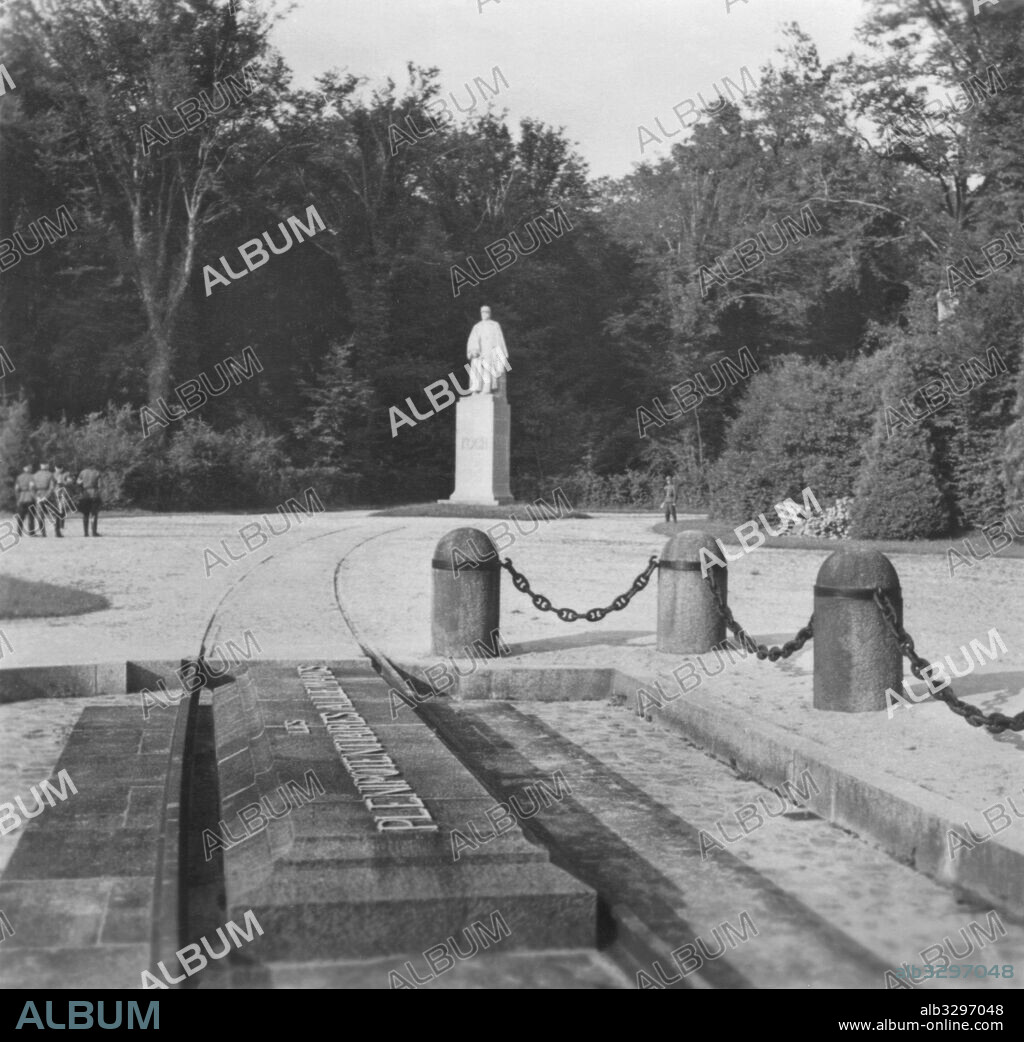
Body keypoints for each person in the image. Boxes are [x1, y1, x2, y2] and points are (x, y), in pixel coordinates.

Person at [32, 462, 58, 537]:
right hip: (48, 496)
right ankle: (56, 532)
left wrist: (36, 497)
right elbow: (52, 487)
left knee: (40, 515)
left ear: (40, 466)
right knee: (53, 514)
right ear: (47, 466)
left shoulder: (35, 475)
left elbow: (31, 488)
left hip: (38, 495)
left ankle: (43, 533)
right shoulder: (50, 475)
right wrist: (46, 496)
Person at [77, 464, 102, 537]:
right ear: (93, 466)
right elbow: (100, 485)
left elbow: (78, 482)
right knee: (94, 514)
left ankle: (86, 533)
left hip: (85, 494)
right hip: (94, 493)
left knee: (85, 514)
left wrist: (81, 488)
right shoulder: (97, 473)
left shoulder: (82, 472)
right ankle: (94, 532)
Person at [14, 464, 36, 537]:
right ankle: (31, 532)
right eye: (30, 467)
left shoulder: (19, 477)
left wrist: (18, 499)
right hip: (30, 497)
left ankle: (19, 532)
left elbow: (16, 489)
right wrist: (35, 498)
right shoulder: (32, 477)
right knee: (31, 516)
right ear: (29, 469)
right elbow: (32, 487)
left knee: (21, 516)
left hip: (21, 498)